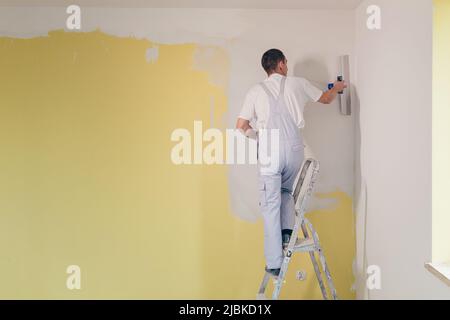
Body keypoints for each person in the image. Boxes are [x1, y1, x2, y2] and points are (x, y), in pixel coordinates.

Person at [236, 49, 346, 277]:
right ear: (281, 65)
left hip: (270, 152)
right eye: (285, 62)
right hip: (295, 149)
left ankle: (275, 263)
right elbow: (325, 99)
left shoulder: (255, 91)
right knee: (287, 191)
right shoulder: (298, 83)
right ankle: (288, 234)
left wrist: (259, 137)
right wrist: (336, 88)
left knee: (270, 204)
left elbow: (241, 125)